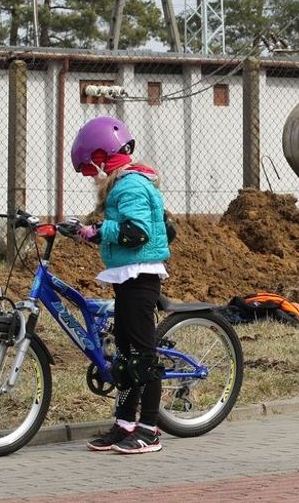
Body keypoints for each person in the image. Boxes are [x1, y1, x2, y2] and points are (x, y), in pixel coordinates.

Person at [69, 115, 171, 455]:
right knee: (125, 356)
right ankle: (125, 423)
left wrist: (97, 233)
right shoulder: (122, 185)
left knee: (143, 356)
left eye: (92, 167)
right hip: (127, 275)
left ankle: (150, 430)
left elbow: (136, 232)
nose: (92, 176)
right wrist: (86, 231)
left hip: (140, 277)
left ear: (103, 156)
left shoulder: (130, 186)